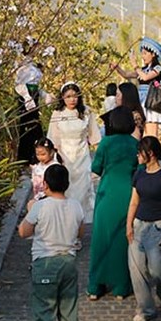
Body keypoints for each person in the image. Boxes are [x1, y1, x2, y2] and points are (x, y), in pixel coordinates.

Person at [19, 164, 85, 321]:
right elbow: (80, 232)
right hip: (68, 263)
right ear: (67, 184)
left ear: (45, 184)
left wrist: (30, 210)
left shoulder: (40, 207)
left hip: (45, 264)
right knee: (69, 314)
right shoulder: (76, 206)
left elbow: (23, 232)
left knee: (45, 315)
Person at [88, 107, 140, 300]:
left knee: (101, 239)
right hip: (128, 193)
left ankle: (95, 285)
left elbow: (96, 168)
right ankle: (121, 286)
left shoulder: (106, 143)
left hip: (107, 193)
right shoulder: (135, 144)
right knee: (123, 239)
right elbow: (139, 169)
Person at [126, 136, 161, 321]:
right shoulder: (139, 174)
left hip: (158, 225)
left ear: (151, 154)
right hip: (139, 225)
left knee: (156, 268)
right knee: (136, 267)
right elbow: (134, 202)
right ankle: (146, 309)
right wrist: (128, 225)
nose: (137, 156)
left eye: (140, 152)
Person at [47, 82, 101, 225]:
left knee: (83, 191)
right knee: (66, 190)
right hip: (64, 157)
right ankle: (66, 224)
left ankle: (80, 224)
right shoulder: (57, 114)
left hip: (82, 156)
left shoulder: (86, 112)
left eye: (75, 96)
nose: (72, 100)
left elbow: (95, 136)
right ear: (62, 98)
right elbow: (53, 138)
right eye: (68, 97)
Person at [112, 37, 161, 137]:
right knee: (140, 128)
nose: (143, 56)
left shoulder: (157, 68)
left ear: (153, 54)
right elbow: (126, 75)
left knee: (151, 130)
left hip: (151, 101)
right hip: (140, 101)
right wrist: (117, 68)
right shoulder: (142, 69)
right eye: (142, 53)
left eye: (145, 53)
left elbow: (146, 77)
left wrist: (135, 65)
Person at [15, 55, 46, 164]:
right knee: (26, 127)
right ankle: (25, 159)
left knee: (36, 127)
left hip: (34, 97)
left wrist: (45, 95)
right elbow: (19, 85)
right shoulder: (22, 69)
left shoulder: (34, 66)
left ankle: (36, 156)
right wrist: (27, 97)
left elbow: (37, 85)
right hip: (26, 99)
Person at [30, 138, 62, 202]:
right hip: (37, 196)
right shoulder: (37, 166)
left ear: (51, 152)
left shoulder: (54, 167)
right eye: (37, 154)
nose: (40, 157)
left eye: (43, 154)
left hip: (51, 197)